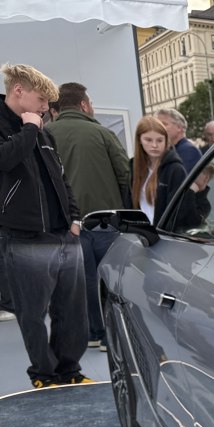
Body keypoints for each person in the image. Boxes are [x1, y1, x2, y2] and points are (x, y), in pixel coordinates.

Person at [0, 63, 92, 389]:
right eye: (41, 100)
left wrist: (75, 217)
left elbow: (60, 178)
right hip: (22, 234)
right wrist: (27, 130)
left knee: (72, 308)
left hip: (62, 233)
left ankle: (69, 369)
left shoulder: (44, 130)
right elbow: (5, 160)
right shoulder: (22, 127)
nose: (45, 108)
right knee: (32, 311)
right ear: (18, 91)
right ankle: (44, 374)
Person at [45, 82, 131, 351]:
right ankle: (109, 336)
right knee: (110, 281)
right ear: (83, 104)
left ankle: (93, 333)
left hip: (67, 226)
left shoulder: (44, 134)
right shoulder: (102, 134)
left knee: (82, 283)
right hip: (105, 220)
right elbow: (125, 174)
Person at [130, 115, 206, 228]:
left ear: (166, 140)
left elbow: (179, 212)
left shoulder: (174, 169)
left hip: (162, 237)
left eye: (160, 140)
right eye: (148, 140)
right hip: (140, 235)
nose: (154, 145)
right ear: (139, 140)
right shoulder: (133, 166)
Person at [155, 107, 201, 172]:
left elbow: (177, 178)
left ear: (179, 127)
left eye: (164, 124)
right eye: (157, 125)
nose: (159, 128)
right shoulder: (168, 151)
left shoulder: (189, 150)